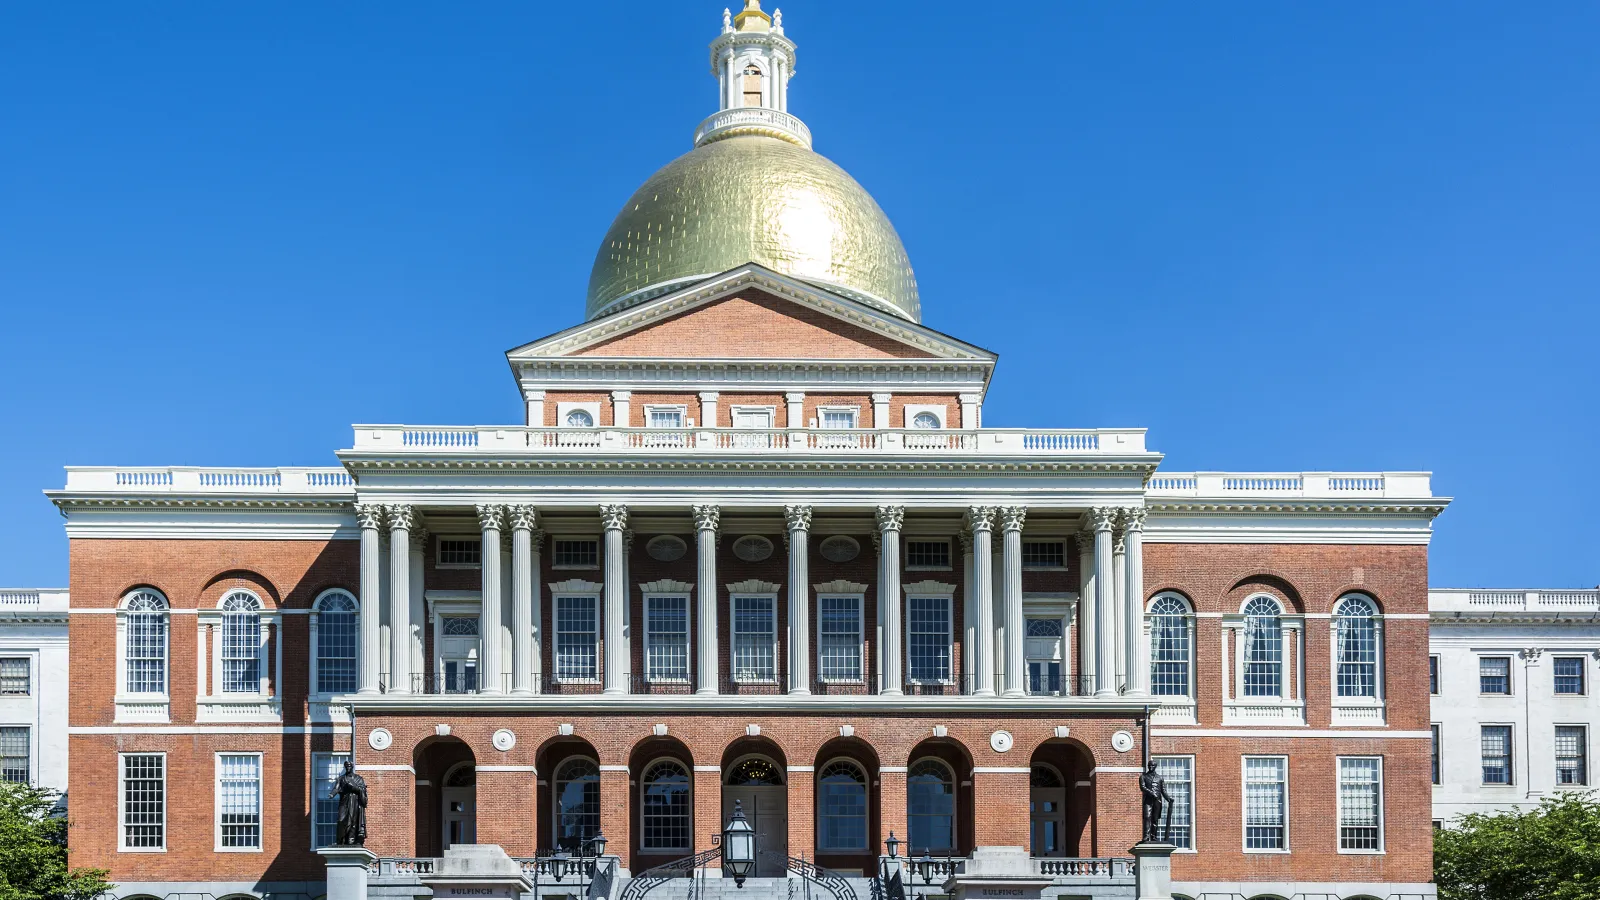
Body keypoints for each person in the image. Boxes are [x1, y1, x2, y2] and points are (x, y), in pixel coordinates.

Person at [331, 760, 368, 846]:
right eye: (346, 766)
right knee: (341, 820)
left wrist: (354, 788)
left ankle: (351, 841)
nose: (348, 767)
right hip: (344, 801)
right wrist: (332, 794)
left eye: (349, 766)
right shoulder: (341, 778)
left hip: (355, 802)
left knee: (353, 822)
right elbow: (336, 788)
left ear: (352, 767)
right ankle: (340, 840)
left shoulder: (358, 778)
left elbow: (362, 790)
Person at [1139, 761, 1172, 843]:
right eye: (1149, 765)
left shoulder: (1160, 778)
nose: (1150, 767)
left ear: (1155, 766)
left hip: (1157, 800)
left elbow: (1163, 791)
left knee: (1155, 819)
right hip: (1148, 800)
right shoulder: (1143, 776)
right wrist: (1151, 793)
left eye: (1152, 765)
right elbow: (1142, 787)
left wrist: (1168, 799)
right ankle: (1146, 837)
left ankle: (1153, 837)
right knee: (1147, 817)